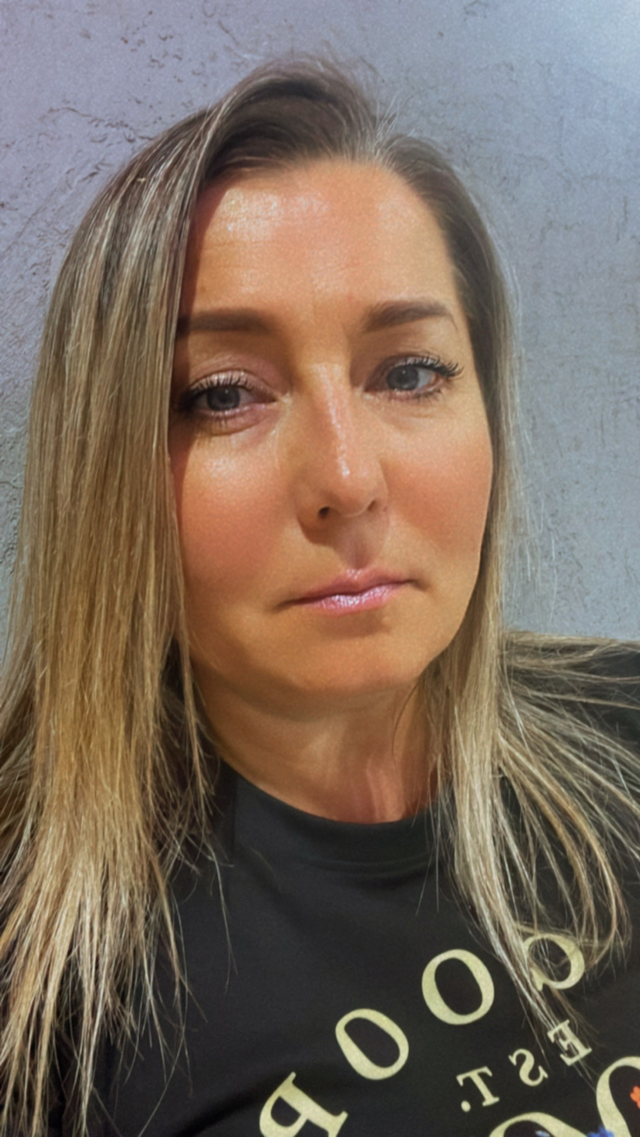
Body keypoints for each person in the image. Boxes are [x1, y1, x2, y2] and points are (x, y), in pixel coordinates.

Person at [0, 59, 639, 1137]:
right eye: (224, 394)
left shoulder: (624, 728)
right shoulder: (39, 978)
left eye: (409, 372)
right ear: (104, 473)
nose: (347, 478)